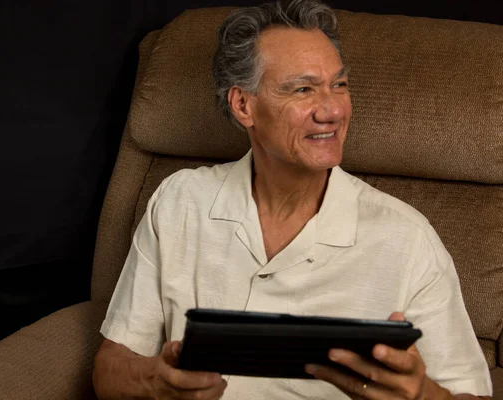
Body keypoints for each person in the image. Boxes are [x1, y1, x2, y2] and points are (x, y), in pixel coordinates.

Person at [92, 0, 493, 399]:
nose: (334, 109)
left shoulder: (406, 237)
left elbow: (469, 394)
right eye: (303, 89)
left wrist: (422, 395)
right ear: (243, 105)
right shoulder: (179, 202)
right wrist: (156, 382)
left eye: (339, 84)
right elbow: (111, 366)